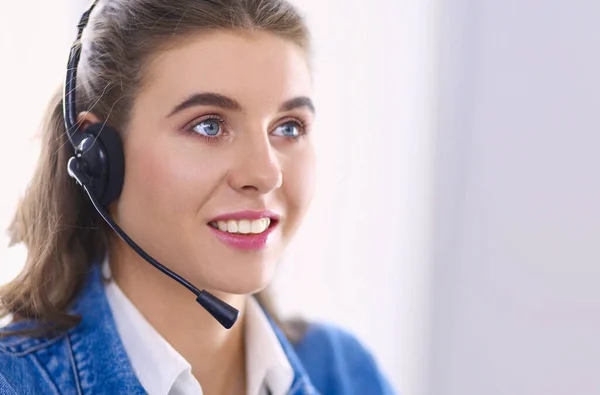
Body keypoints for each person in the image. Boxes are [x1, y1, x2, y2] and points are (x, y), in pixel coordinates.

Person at [0, 0, 396, 394]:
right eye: (209, 126)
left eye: (289, 128)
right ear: (98, 157)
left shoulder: (343, 372)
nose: (266, 174)